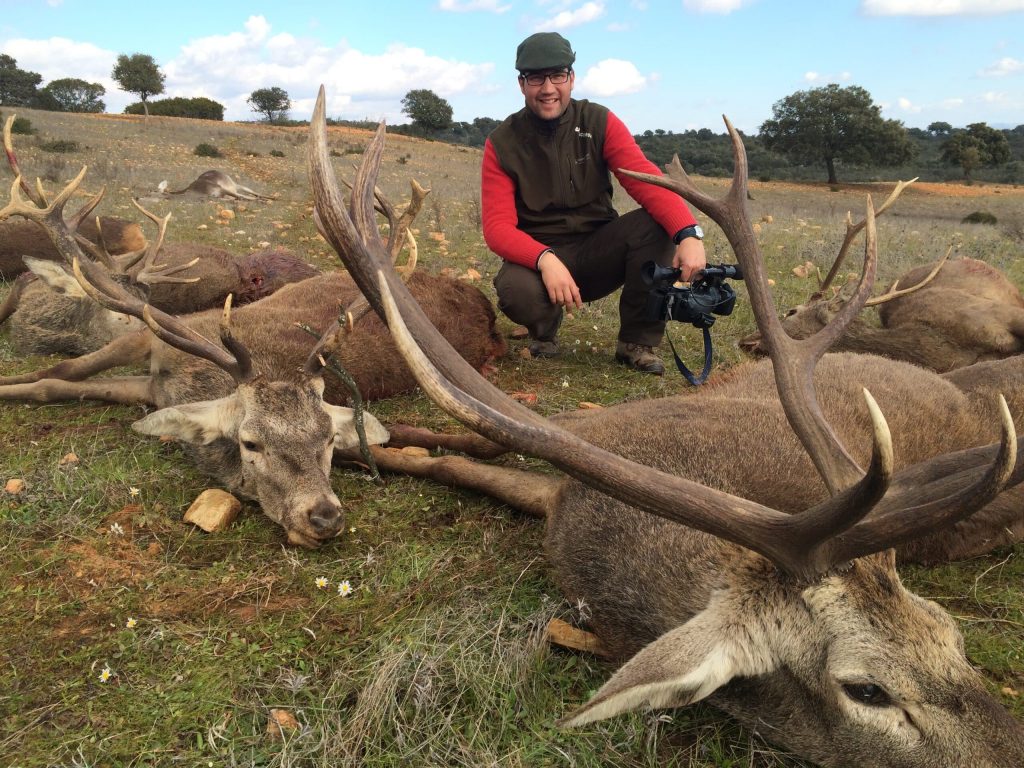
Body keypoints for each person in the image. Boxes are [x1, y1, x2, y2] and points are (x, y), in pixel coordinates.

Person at [481, 31, 707, 375]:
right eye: (536, 78)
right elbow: (497, 229)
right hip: (539, 259)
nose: (548, 88)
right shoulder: (502, 142)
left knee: (657, 226)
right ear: (522, 84)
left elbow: (644, 179)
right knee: (515, 290)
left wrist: (688, 233)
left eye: (557, 75)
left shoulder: (599, 121)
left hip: (598, 251)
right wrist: (544, 258)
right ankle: (543, 331)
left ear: (571, 78)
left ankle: (636, 342)